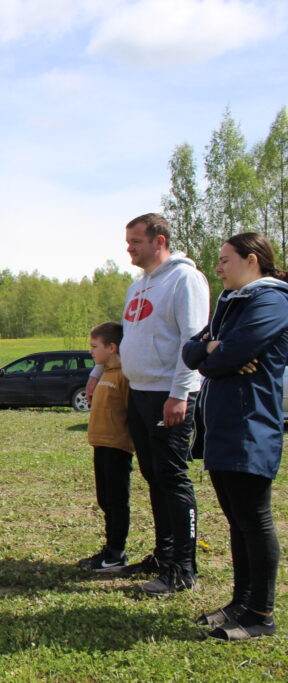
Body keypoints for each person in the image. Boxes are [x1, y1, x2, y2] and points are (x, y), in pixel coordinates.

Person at [182, 232, 288, 641]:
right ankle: (240, 603)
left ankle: (261, 614)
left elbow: (225, 356)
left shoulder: (271, 301)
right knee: (237, 521)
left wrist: (214, 352)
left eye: (225, 260)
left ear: (252, 260)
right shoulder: (232, 302)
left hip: (251, 427)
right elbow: (191, 352)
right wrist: (213, 349)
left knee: (255, 520)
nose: (218, 267)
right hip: (223, 427)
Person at [106, 213, 210, 595]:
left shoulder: (185, 279)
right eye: (128, 242)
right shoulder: (137, 286)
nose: (129, 249)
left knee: (172, 477)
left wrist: (180, 394)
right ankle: (164, 556)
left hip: (170, 394)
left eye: (135, 241)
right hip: (141, 391)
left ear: (159, 241)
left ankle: (183, 568)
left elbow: (192, 340)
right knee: (153, 476)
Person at [77, 322, 135, 573]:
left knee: (116, 500)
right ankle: (110, 548)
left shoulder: (124, 376)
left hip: (117, 447)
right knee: (105, 499)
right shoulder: (106, 373)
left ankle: (116, 552)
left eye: (94, 346)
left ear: (112, 347)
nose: (91, 351)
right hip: (100, 444)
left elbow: (132, 413)